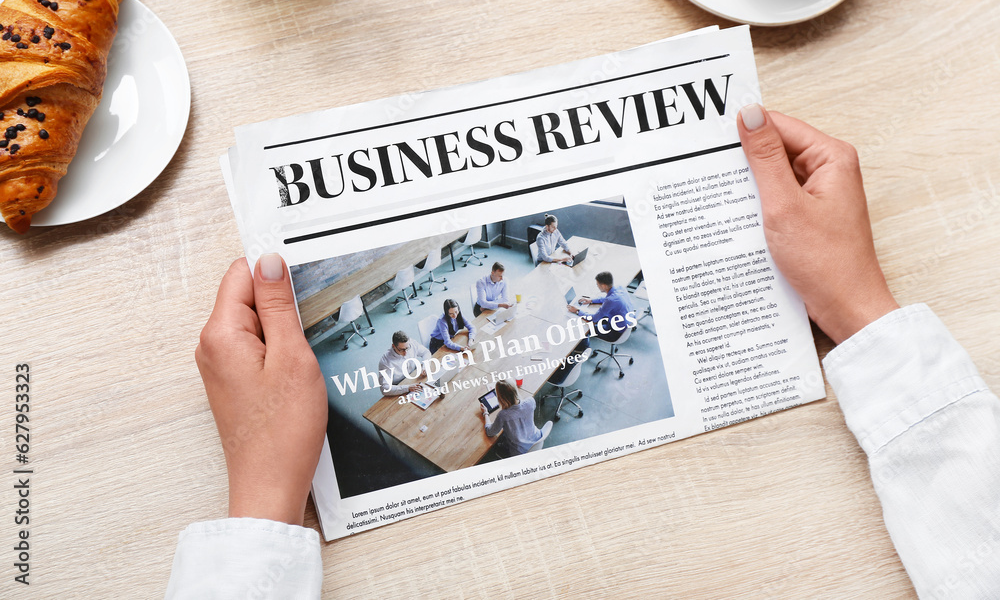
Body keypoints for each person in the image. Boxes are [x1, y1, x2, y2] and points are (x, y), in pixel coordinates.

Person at [167, 104, 1000, 597]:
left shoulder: (520, 383)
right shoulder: (480, 321)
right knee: (514, 325)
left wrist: (259, 508)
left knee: (546, 309)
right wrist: (863, 311)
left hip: (540, 380)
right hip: (523, 349)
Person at [481, 378, 543, 457]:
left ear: (500, 397)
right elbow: (521, 410)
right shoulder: (530, 401)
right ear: (515, 389)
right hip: (537, 441)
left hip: (520, 452)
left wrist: (485, 413)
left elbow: (490, 432)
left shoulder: (503, 415)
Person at [568, 271, 633, 342]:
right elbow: (608, 298)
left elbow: (594, 318)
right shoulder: (620, 288)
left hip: (616, 333)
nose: (597, 286)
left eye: (597, 284)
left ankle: (582, 348)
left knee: (583, 327)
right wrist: (591, 300)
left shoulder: (610, 301)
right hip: (626, 323)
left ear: (603, 286)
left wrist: (577, 311)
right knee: (597, 318)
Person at [377, 330, 431, 397]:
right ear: (393, 346)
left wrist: (425, 367)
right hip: (399, 387)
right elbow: (384, 388)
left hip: (415, 377)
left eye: (407, 348)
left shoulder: (411, 343)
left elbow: (426, 352)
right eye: (401, 350)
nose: (405, 353)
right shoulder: (386, 362)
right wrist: (407, 388)